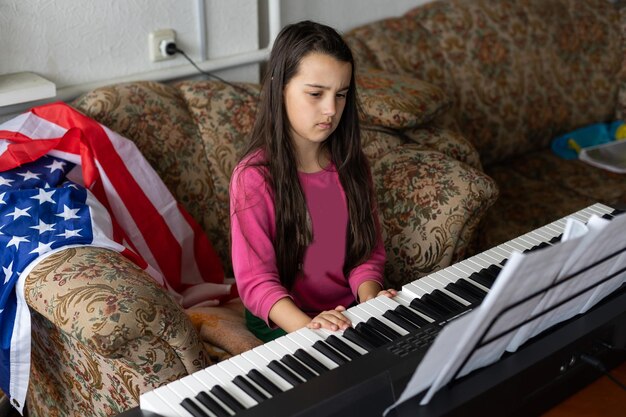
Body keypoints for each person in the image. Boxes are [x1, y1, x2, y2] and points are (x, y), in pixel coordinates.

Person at [230, 20, 395, 343]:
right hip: (283, 320)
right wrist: (311, 329)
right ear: (279, 88)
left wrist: (370, 299)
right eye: (316, 94)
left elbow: (366, 254)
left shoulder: (352, 164)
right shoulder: (254, 177)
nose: (331, 110)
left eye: (341, 95)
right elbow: (257, 282)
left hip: (343, 311)